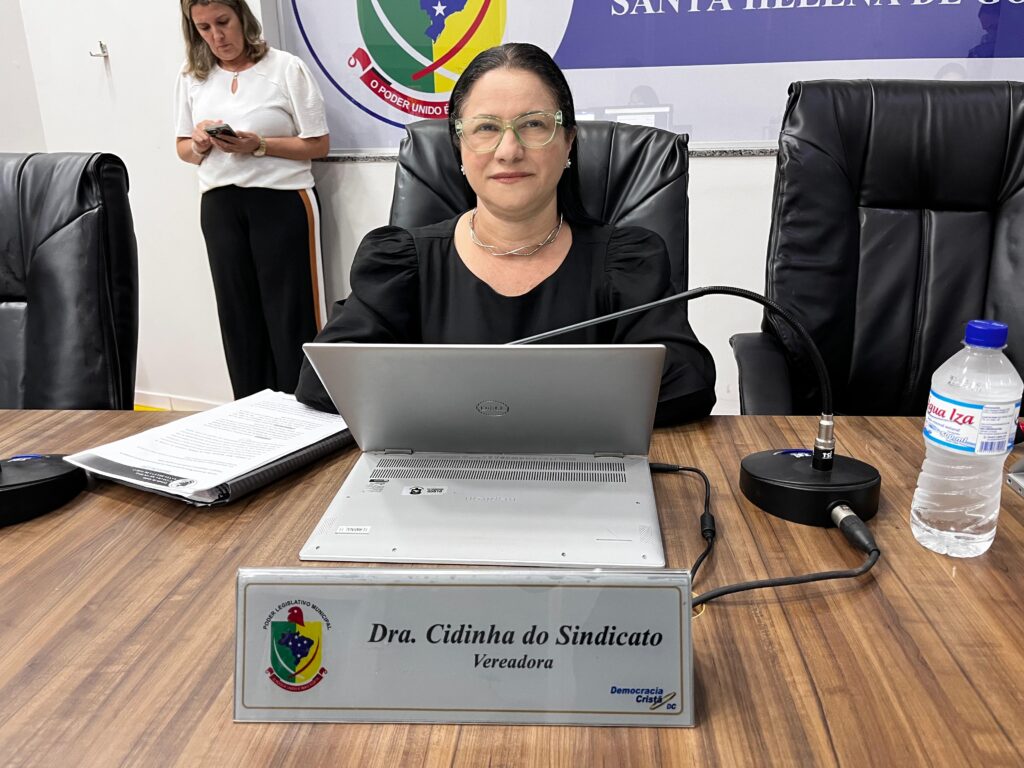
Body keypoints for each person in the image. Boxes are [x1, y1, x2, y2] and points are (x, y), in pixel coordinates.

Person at [295, 43, 715, 424]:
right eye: (486, 128)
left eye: (533, 124)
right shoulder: (403, 264)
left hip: (583, 468)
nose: (509, 150)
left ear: (568, 141)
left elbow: (686, 383)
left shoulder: (625, 263)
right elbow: (323, 381)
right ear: (459, 146)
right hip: (441, 470)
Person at [175, 0, 329, 398]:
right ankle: (250, 416)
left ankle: (306, 413)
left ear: (243, 17)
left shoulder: (285, 68)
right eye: (204, 28)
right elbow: (182, 149)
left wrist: (257, 144)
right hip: (220, 206)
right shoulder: (192, 77)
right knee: (237, 317)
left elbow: (318, 144)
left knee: (291, 314)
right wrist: (199, 142)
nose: (217, 36)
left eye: (223, 22)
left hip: (281, 200)